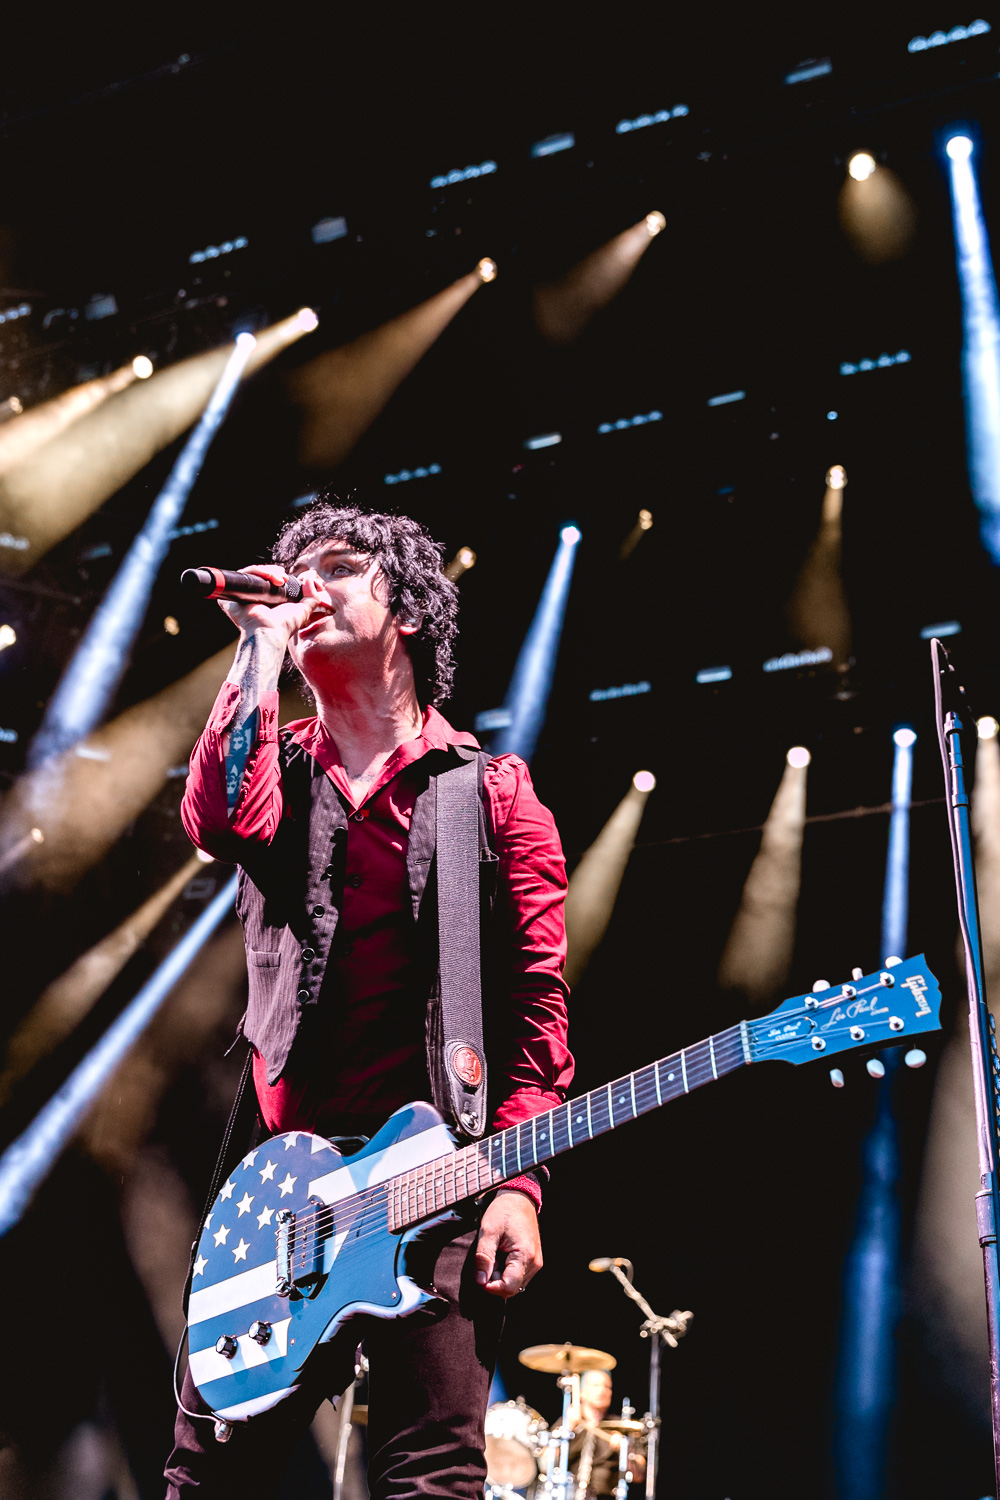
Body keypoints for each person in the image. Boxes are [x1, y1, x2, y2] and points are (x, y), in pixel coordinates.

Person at [164, 500, 573, 1499]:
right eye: (292, 568)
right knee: (209, 1479)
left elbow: (535, 1013)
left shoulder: (495, 796)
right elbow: (218, 820)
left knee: (431, 1473)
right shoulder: (277, 768)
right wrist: (258, 649)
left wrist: (519, 1185)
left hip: (440, 1182)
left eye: (339, 567)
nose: (306, 583)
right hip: (279, 1196)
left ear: (409, 613)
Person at [566, 1371, 646, 1500]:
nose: (602, 1390)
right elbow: (544, 1464)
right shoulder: (568, 1425)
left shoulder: (622, 1427)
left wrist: (624, 1451)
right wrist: (569, 1426)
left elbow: (639, 1475)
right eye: (596, 1385)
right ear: (581, 1392)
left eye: (607, 1387)